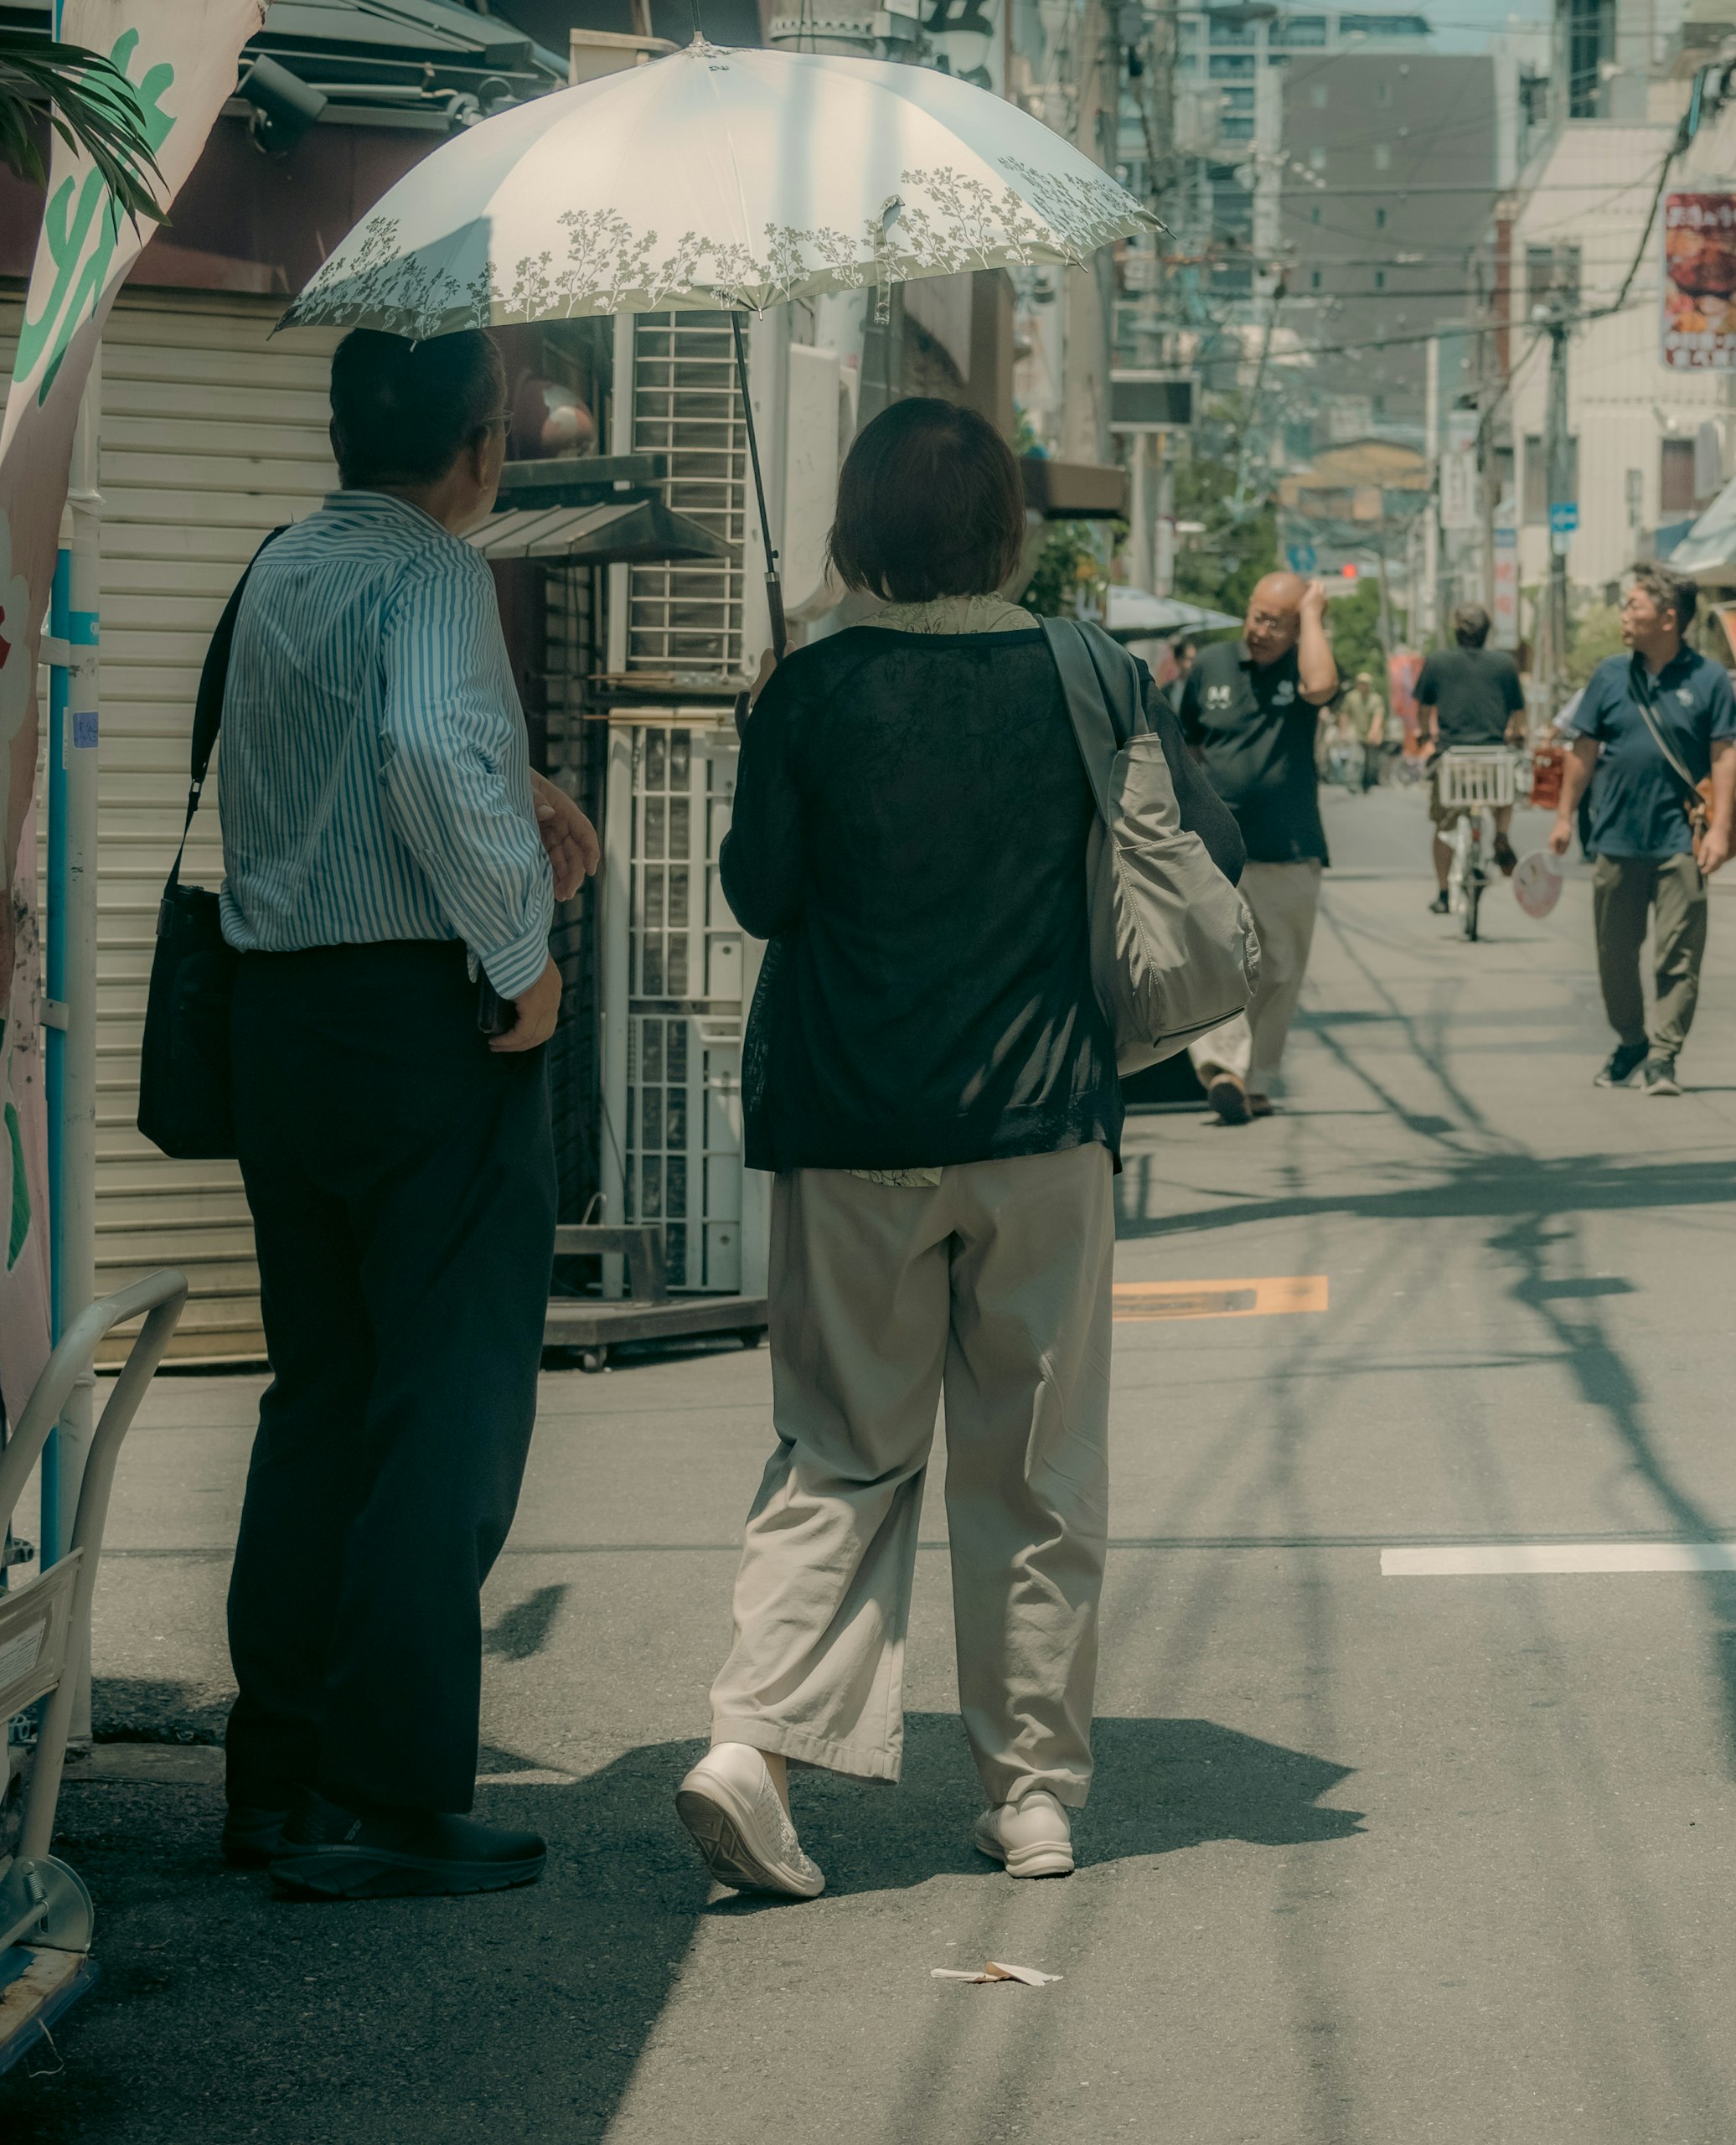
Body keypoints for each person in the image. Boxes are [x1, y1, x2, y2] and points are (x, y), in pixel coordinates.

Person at [674, 398, 1130, 1899]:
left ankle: (754, 1748)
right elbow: (1195, 859)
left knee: (841, 1453)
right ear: (1008, 530)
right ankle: (1033, 1800)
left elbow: (759, 895)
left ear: (856, 531)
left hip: (852, 1126)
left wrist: (773, 721)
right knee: (1034, 1473)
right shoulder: (1089, 672)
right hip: (1041, 1128)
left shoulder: (812, 689)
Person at [214, 328, 599, 1899]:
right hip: (421, 1024)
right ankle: (391, 1792)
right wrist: (524, 957)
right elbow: (431, 751)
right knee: (445, 1402)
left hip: (281, 1023)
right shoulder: (440, 571)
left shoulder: (280, 566)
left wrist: (518, 790)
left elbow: (328, 774)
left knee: (321, 1395)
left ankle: (283, 1774)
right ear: (480, 447)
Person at [1547, 566, 1736, 1097]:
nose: (1624, 616)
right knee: (1615, 955)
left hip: (1682, 838)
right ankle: (1631, 1039)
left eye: (1634, 606)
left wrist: (1722, 828)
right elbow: (1582, 751)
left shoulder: (1708, 680)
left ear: (1669, 618)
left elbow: (1725, 757)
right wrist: (1566, 816)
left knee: (1677, 957)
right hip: (1614, 837)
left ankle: (1663, 1056)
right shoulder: (1610, 675)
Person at [1179, 570, 1340, 1123]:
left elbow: (1321, 688)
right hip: (1215, 848)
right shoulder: (1211, 664)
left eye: (1277, 622)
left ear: (1299, 628)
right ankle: (1224, 1069)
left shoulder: (1304, 666)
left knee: (1278, 970)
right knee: (1213, 962)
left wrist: (1314, 616)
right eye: (1257, 615)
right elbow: (1190, 744)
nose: (1260, 629)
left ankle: (1256, 1079)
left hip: (1289, 844)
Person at [1416, 603, 1528, 913]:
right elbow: (1519, 712)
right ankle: (1502, 835)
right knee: (1504, 791)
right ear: (1486, 633)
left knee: (1442, 828)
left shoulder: (1437, 662)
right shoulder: (1505, 664)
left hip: (1452, 757)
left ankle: (1442, 894)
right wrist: (1517, 733)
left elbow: (1424, 710)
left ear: (1457, 632)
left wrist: (1425, 735)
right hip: (1494, 753)